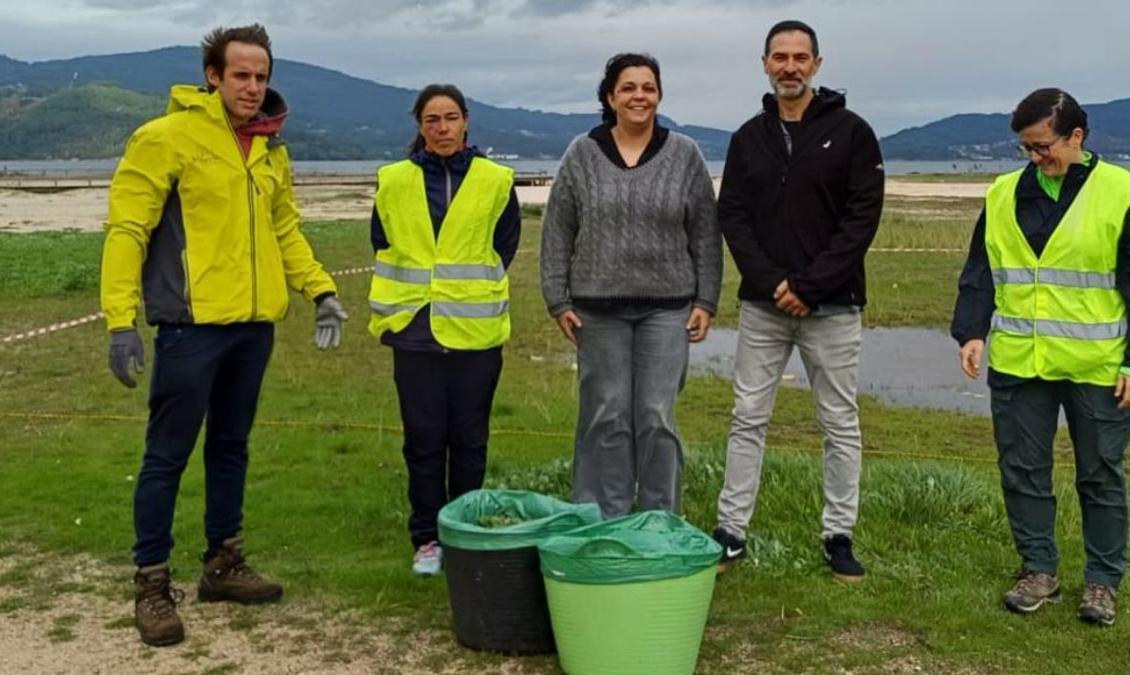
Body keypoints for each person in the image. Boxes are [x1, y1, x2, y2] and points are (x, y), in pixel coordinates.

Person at [100, 24, 348, 647]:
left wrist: (320, 290)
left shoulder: (268, 147)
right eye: (241, 75)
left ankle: (223, 563)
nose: (253, 87)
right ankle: (152, 582)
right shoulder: (166, 138)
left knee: (231, 447)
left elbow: (284, 229)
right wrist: (120, 321)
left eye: (261, 76)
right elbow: (127, 230)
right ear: (213, 76)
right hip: (190, 329)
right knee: (166, 456)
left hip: (252, 329)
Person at [952, 88, 1130, 626]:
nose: (1034, 157)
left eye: (1043, 146)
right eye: (1025, 148)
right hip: (1019, 363)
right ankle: (1037, 571)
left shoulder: (1122, 193)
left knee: (1099, 474)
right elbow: (981, 270)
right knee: (1023, 471)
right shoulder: (1002, 194)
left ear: (1077, 137)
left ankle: (1102, 583)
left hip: (1100, 367)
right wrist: (972, 332)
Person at [711, 20, 883, 581]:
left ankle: (839, 535)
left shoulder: (853, 133)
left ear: (817, 63)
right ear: (764, 63)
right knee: (747, 418)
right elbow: (732, 215)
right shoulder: (747, 138)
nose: (790, 66)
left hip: (832, 307)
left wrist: (810, 285)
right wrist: (771, 282)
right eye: (780, 56)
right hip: (763, 307)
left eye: (800, 57)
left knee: (838, 421)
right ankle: (731, 530)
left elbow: (861, 219)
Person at [540, 53, 722, 519]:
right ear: (610, 97)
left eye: (648, 87)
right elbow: (559, 229)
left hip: (668, 308)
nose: (639, 96)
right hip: (597, 309)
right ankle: (604, 521)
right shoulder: (582, 152)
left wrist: (706, 299)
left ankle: (659, 522)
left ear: (659, 95)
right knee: (607, 415)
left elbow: (705, 231)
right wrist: (557, 298)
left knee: (657, 416)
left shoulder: (684, 154)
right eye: (628, 88)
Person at [368, 84, 520, 575]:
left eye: (451, 117)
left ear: (467, 121)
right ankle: (427, 538)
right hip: (413, 331)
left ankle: (466, 531)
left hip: (475, 334)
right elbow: (381, 239)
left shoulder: (496, 180)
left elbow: (506, 244)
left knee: (470, 439)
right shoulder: (393, 180)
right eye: (432, 120)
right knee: (424, 440)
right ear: (420, 126)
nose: (443, 128)